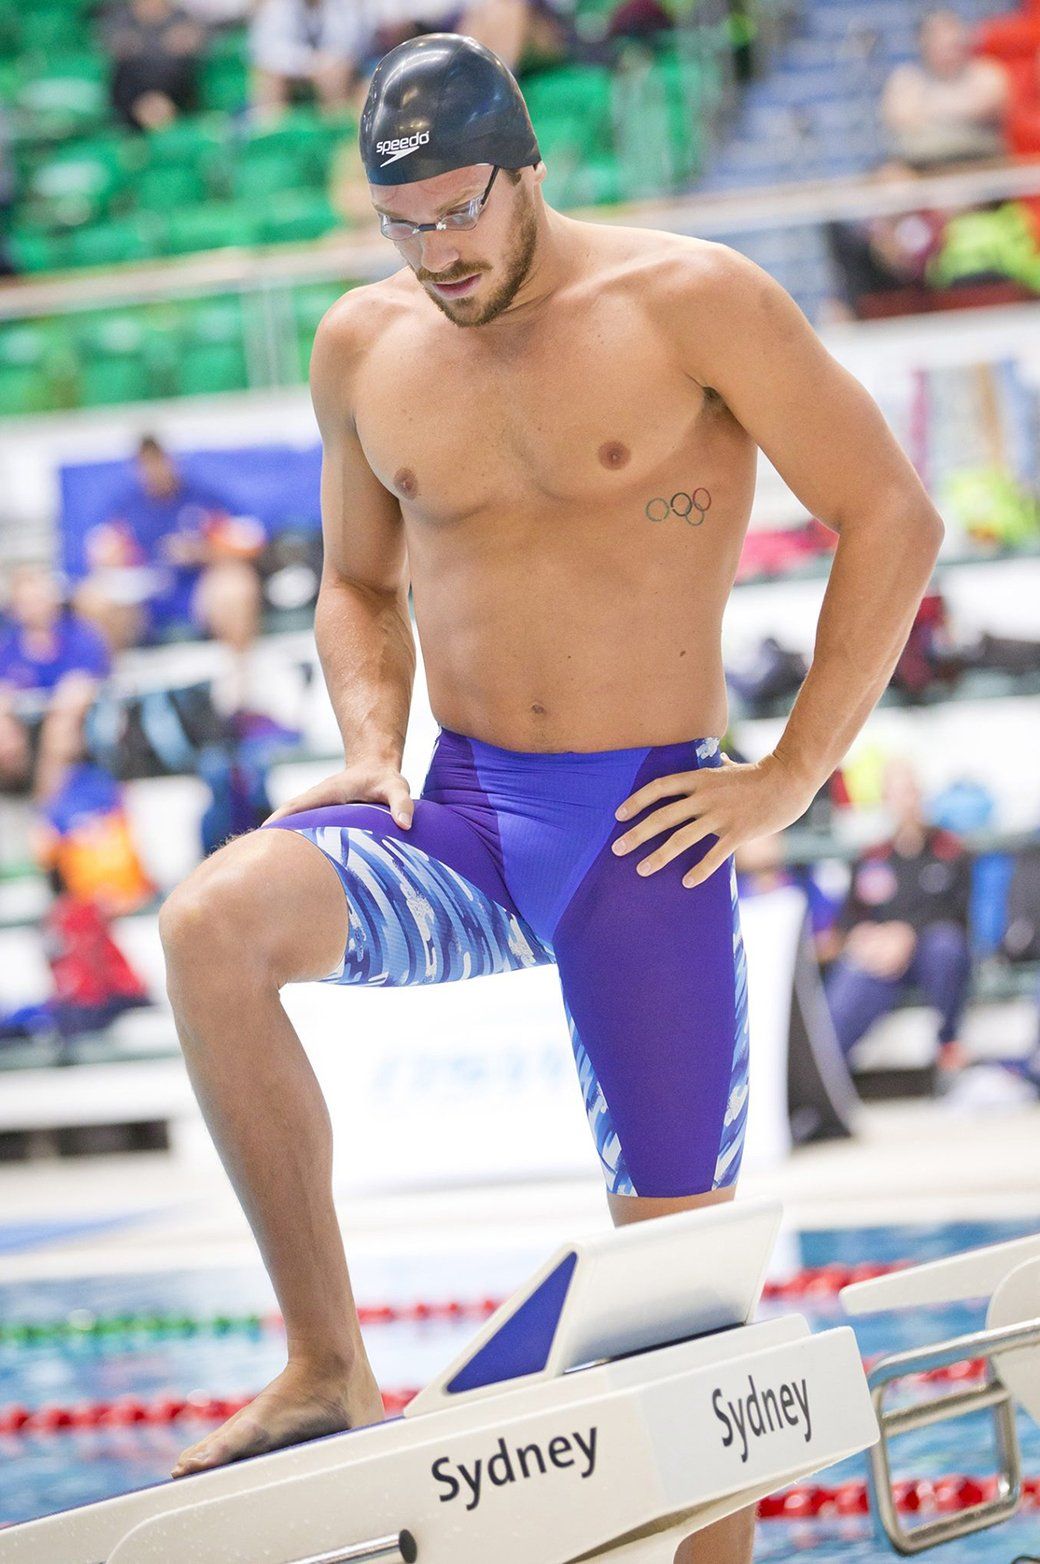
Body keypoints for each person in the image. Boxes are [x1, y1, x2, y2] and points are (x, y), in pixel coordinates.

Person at [157, 35, 944, 1564]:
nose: (440, 252)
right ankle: (327, 1364)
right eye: (407, 224)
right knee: (210, 928)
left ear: (528, 172)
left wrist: (786, 775)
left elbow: (891, 515)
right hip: (457, 819)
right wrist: (372, 741)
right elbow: (354, 583)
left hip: (647, 833)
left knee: (676, 1320)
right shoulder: (360, 346)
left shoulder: (691, 300)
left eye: (462, 212)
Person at [75, 434, 264, 706]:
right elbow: (97, 553)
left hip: (195, 591)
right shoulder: (127, 507)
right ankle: (108, 694)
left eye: (159, 462)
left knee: (236, 584)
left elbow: (250, 541)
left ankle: (238, 686)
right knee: (93, 596)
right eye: (146, 464)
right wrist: (122, 557)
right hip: (144, 599)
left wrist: (203, 551)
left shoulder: (201, 498)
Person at [825, 757, 973, 1073]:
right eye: (896, 792)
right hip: (886, 959)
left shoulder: (949, 850)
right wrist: (864, 937)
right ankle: (827, 1075)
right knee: (852, 975)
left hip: (930, 953)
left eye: (910, 790)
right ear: (885, 799)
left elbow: (959, 914)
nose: (905, 799)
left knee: (945, 945)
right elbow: (851, 918)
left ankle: (949, 1044)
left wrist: (907, 934)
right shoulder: (873, 857)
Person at [0, 564, 110, 802]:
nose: (34, 607)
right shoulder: (8, 648)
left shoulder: (82, 637)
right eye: (26, 601)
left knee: (60, 730)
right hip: (25, 731)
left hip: (80, 725)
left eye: (39, 598)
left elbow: (85, 685)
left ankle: (47, 809)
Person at [881, 8, 1009, 171]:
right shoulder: (905, 78)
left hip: (978, 160)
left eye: (952, 43)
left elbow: (985, 107)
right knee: (890, 178)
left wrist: (926, 112)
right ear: (924, 44)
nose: (948, 51)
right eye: (939, 43)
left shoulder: (987, 73)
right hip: (920, 164)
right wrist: (959, 110)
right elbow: (900, 120)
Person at [101, 0, 207, 132]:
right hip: (131, 93)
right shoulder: (120, 18)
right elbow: (113, 47)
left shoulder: (181, 18)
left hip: (173, 89)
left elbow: (198, 44)